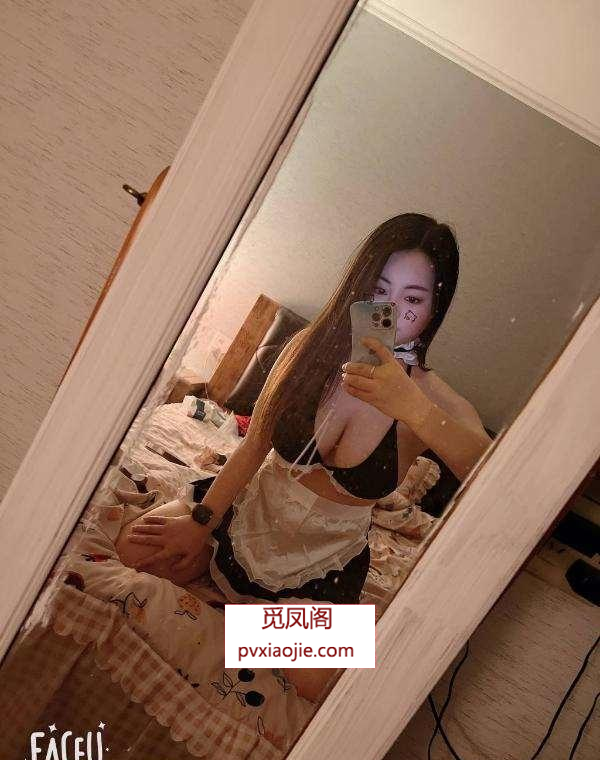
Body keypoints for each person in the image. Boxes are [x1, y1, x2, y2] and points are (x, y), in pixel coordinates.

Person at [115, 212, 492, 700]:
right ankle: (247, 608)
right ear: (359, 284)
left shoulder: (433, 399)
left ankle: (249, 615)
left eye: (413, 299)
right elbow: (254, 445)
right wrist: (201, 522)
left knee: (318, 683)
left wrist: (413, 409)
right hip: (243, 518)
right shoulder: (308, 348)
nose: (390, 310)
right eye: (379, 289)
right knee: (132, 551)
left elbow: (496, 477)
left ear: (434, 309)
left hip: (321, 566)